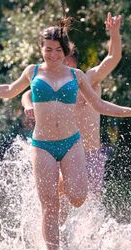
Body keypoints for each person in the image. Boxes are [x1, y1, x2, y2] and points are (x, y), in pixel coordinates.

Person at [0, 18, 131, 250]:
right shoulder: (32, 72)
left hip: (72, 143)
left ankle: (62, 182)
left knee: (78, 197)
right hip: (42, 146)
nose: (53, 55)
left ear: (66, 51)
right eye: (48, 49)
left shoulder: (78, 75)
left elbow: (99, 104)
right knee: (50, 207)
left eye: (58, 50)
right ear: (41, 48)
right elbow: (10, 90)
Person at [22, 13, 122, 198]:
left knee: (89, 202)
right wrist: (28, 104)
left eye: (62, 58)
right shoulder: (47, 78)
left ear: (72, 61)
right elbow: (26, 93)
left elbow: (112, 58)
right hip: (60, 149)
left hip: (89, 152)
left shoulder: (87, 79)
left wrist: (114, 33)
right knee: (58, 206)